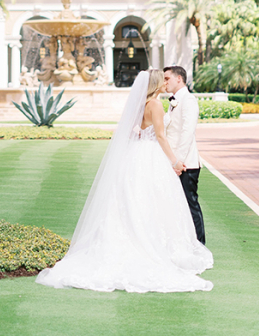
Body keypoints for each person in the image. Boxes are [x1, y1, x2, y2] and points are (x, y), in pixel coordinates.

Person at [36, 69, 213, 293]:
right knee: (155, 200)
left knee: (132, 199)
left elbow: (134, 131)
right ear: (158, 83)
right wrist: (175, 161)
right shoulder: (156, 105)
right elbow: (160, 136)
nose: (166, 83)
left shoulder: (141, 104)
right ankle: (156, 245)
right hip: (152, 155)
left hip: (136, 156)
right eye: (164, 80)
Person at [163, 65, 206, 244]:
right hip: (174, 163)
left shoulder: (188, 100)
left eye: (167, 79)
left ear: (179, 79)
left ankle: (199, 244)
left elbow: (187, 133)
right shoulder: (174, 101)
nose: (165, 83)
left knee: (190, 205)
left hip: (186, 164)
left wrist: (178, 162)